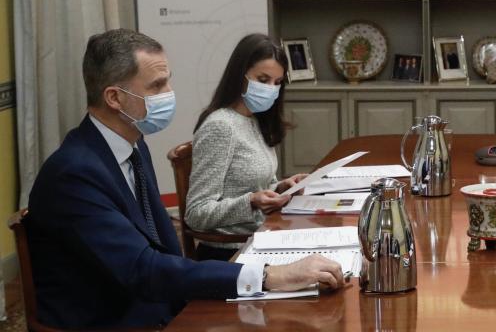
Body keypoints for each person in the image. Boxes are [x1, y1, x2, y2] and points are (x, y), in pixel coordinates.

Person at [26, 29, 343, 329]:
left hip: (158, 298)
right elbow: (142, 269)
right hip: (118, 320)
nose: (169, 94)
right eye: (156, 86)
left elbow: (163, 250)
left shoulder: (133, 147)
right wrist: (268, 276)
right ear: (114, 98)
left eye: (168, 82)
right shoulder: (74, 174)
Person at [187, 33, 307, 261]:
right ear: (239, 75)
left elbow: (254, 184)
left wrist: (281, 187)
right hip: (229, 253)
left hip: (261, 239)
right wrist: (251, 202)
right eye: (263, 80)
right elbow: (196, 214)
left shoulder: (255, 118)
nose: (271, 89)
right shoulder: (220, 126)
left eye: (277, 83)